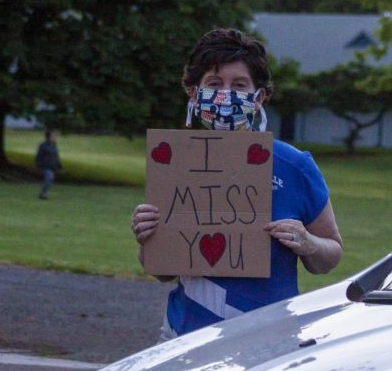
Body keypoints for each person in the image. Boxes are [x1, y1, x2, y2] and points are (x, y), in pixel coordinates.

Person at [131, 28, 343, 340]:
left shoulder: (294, 166)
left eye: (239, 85)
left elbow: (331, 255)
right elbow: (163, 272)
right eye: (214, 84)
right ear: (194, 93)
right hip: (184, 337)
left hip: (267, 339)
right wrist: (148, 237)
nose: (225, 94)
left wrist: (308, 243)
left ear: (259, 97)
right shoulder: (177, 164)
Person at [35, 129, 62, 200]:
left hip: (52, 167)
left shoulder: (54, 146)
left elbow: (57, 157)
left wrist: (60, 167)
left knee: (50, 180)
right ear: (48, 137)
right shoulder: (43, 145)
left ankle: (44, 193)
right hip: (45, 167)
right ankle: (44, 193)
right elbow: (38, 156)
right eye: (53, 136)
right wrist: (38, 166)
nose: (55, 138)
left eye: (55, 136)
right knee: (49, 177)